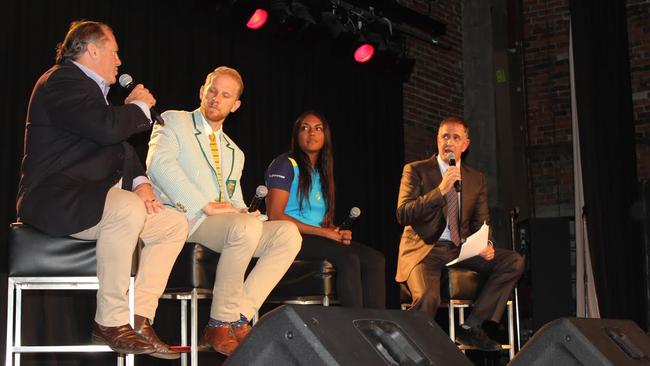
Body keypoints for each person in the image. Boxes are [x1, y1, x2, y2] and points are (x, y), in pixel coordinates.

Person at [16, 20, 188, 359]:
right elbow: (105, 129)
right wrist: (137, 107)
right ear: (93, 50)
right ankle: (109, 322)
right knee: (125, 207)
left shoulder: (90, 91)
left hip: (87, 200)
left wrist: (141, 182)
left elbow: (115, 146)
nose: (119, 61)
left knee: (172, 223)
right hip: (54, 199)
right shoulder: (61, 80)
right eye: (115, 52)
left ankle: (139, 318)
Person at [146, 66, 301, 356]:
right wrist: (203, 204)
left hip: (224, 224)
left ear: (236, 105)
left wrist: (248, 212)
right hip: (186, 218)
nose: (216, 98)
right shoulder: (174, 121)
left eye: (225, 95)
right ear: (202, 92)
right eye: (212, 90)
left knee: (288, 234)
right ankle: (219, 323)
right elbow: (159, 165)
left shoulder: (235, 151)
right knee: (243, 228)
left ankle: (239, 316)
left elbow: (233, 198)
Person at [395, 117, 524, 351]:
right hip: (426, 250)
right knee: (428, 297)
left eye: (455, 137)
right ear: (437, 140)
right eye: (445, 136)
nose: (449, 142)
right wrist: (440, 190)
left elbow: (482, 221)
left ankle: (471, 327)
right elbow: (403, 214)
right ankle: (408, 348)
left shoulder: (476, 178)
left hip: (460, 249)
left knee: (513, 261)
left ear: (465, 144)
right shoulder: (416, 170)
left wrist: (487, 243)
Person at [265, 111, 386, 309]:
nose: (311, 133)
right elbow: (275, 216)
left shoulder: (322, 172)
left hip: (316, 238)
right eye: (305, 128)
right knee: (347, 258)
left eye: (318, 128)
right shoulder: (285, 164)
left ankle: (374, 328)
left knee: (375, 259)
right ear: (296, 135)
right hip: (290, 238)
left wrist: (336, 232)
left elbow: (322, 222)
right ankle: (351, 328)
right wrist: (323, 233)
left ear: (325, 136)